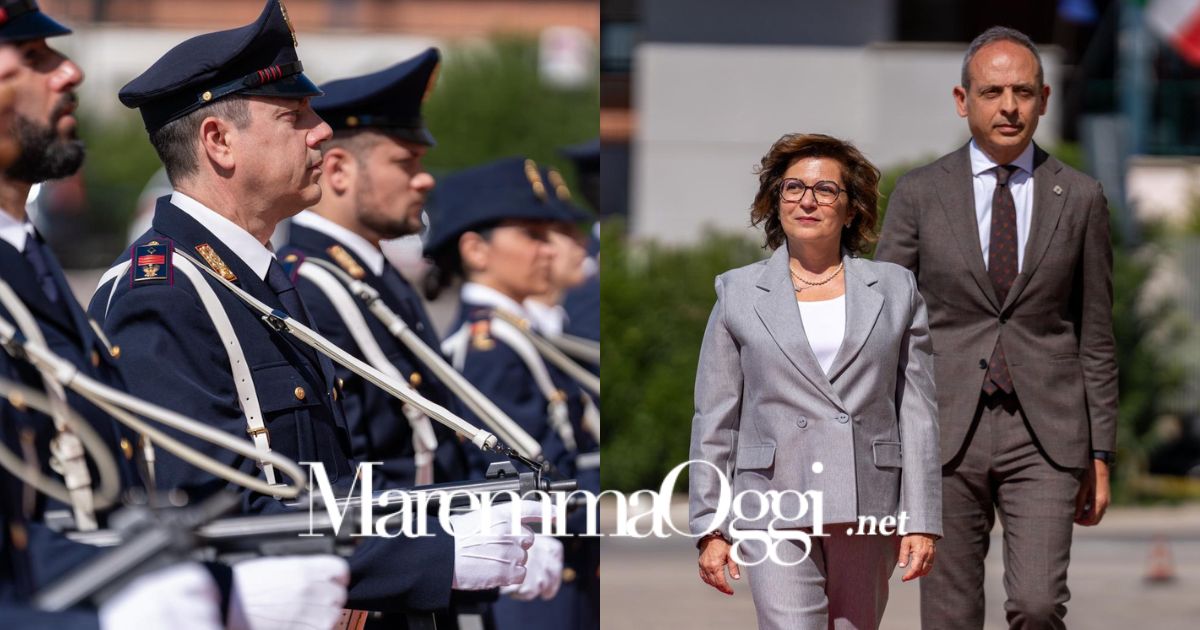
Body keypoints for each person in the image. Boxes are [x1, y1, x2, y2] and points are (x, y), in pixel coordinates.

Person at [86, 0, 539, 616]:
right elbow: (209, 519)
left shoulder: (254, 277)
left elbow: (323, 485)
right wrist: (433, 557)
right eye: (293, 114)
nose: (321, 130)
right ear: (219, 141)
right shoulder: (163, 292)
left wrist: (451, 519)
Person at [0, 3, 353, 628]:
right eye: (31, 58)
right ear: (218, 141)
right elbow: (203, 501)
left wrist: (428, 529)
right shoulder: (158, 291)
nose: (70, 73)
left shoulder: (34, 264)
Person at [875, 26, 1118, 630]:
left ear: (1044, 98)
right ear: (964, 101)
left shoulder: (1081, 196)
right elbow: (883, 326)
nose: (1008, 106)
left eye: (1023, 91)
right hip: (944, 430)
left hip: (1048, 436)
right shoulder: (920, 194)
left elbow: (1096, 334)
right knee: (950, 615)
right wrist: (883, 441)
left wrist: (1101, 451)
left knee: (1037, 605)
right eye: (992, 92)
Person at [688, 133, 941, 630]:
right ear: (774, 203)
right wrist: (710, 526)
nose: (807, 200)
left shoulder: (895, 287)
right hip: (772, 499)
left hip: (867, 499)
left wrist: (922, 518)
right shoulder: (737, 292)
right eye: (792, 188)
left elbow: (917, 411)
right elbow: (715, 417)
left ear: (851, 211)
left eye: (826, 189)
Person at [281, 47, 471, 489]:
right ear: (339, 170)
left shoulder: (369, 275)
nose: (424, 179)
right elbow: (347, 464)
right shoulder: (309, 287)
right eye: (405, 162)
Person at [425, 156, 600, 630]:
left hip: (562, 568)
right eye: (532, 236)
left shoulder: (516, 336)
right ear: (477, 251)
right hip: (531, 577)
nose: (549, 250)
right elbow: (512, 481)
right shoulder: (490, 349)